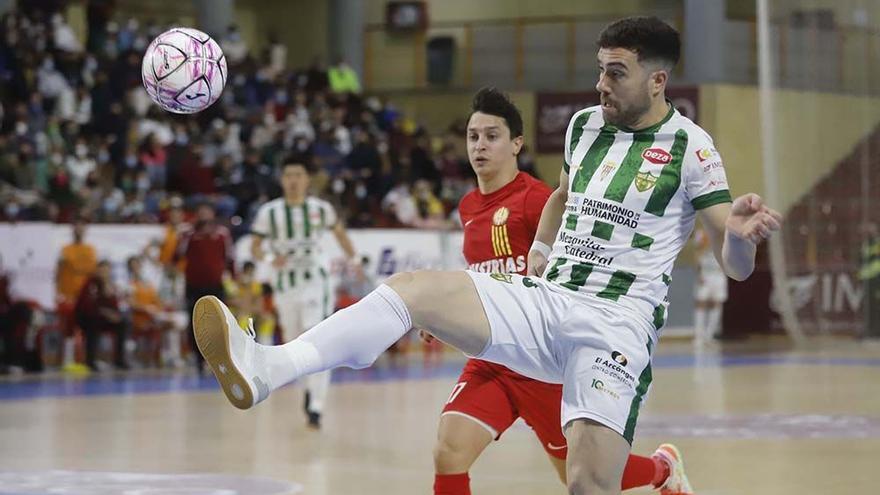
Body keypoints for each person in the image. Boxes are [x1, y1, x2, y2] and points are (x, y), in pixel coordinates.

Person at [193, 17, 783, 494]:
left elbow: (735, 268)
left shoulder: (691, 147)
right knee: (414, 291)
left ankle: (662, 474)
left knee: (587, 484)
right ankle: (269, 368)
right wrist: (543, 253)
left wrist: (736, 234)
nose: (601, 84)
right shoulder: (584, 126)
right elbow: (562, 199)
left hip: (614, 328)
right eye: (600, 70)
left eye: (616, 73)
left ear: (657, 81)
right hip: (549, 301)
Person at [426, 88, 690, 494]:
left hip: (541, 359)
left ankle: (662, 469)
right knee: (449, 451)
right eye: (473, 136)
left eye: (492, 136)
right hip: (492, 359)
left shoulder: (536, 201)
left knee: (579, 475)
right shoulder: (467, 207)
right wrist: (444, 316)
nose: (480, 145)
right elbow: (483, 278)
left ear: (517, 144)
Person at [249, 156, 360, 429]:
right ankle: (309, 390)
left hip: (316, 281)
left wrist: (354, 261)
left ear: (307, 179)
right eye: (288, 175)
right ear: (282, 180)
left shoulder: (321, 209)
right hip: (285, 283)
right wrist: (268, 259)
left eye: (298, 175)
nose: (294, 180)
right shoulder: (270, 212)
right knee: (293, 340)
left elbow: (341, 235)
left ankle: (316, 406)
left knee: (316, 336)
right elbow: (255, 246)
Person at [177, 202, 234, 373]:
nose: (204, 215)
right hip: (194, 286)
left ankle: (221, 358)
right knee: (195, 323)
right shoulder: (188, 233)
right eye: (201, 211)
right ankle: (198, 359)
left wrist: (233, 278)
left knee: (219, 322)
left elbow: (230, 258)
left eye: (207, 211)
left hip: (216, 284)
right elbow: (178, 255)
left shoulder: (222, 234)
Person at [55, 218, 97, 372]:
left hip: (85, 298)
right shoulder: (65, 250)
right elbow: (58, 274)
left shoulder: (91, 250)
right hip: (69, 296)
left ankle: (89, 360)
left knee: (91, 326)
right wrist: (59, 293)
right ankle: (67, 360)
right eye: (77, 226)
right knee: (69, 326)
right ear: (72, 229)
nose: (79, 229)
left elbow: (93, 275)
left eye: (82, 227)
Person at [75, 260, 129, 370]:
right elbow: (88, 305)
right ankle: (90, 361)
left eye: (107, 270)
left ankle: (119, 360)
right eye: (102, 269)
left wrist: (115, 314)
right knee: (93, 324)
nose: (104, 272)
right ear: (97, 270)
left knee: (123, 323)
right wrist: (106, 313)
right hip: (88, 317)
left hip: (104, 318)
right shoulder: (91, 283)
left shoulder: (109, 284)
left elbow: (114, 305)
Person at [692, 226, 727, 346]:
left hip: (719, 273)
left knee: (717, 303)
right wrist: (699, 273)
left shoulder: (723, 230)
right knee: (701, 303)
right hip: (706, 273)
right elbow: (697, 253)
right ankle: (699, 336)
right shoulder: (701, 233)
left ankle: (710, 335)